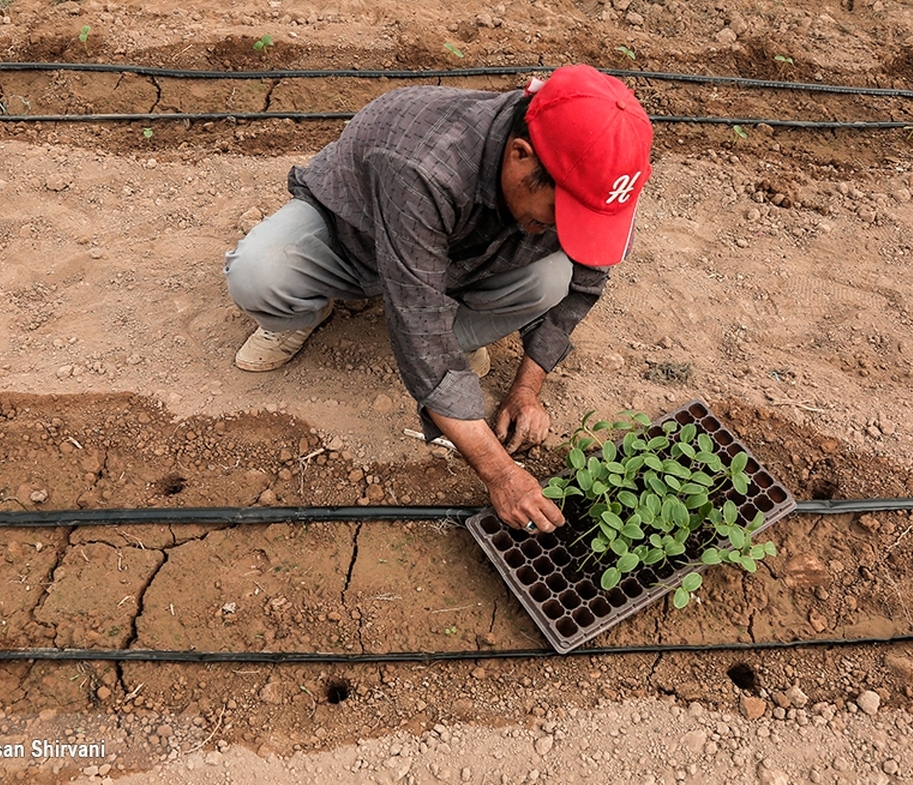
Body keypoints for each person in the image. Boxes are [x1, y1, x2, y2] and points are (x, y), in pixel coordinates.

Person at [224, 64, 652, 534]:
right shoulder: (423, 164)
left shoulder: (600, 174)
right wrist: (500, 473)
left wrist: (527, 388)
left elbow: (587, 280)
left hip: (456, 257)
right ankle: (307, 312)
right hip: (357, 235)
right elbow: (420, 329)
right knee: (259, 273)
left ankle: (460, 337)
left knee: (554, 278)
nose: (563, 226)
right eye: (560, 213)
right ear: (521, 155)